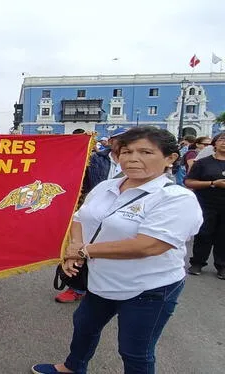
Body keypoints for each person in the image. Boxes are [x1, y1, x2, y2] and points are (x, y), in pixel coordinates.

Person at [32, 126, 203, 374]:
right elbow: (80, 217)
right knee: (84, 326)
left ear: (170, 158)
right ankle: (73, 367)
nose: (133, 158)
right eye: (126, 151)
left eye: (145, 152)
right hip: (101, 280)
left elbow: (149, 245)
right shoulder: (107, 187)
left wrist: (84, 251)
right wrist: (74, 246)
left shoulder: (176, 198)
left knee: (135, 350)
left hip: (148, 287)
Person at [55, 129, 126, 303]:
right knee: (80, 242)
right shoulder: (95, 159)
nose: (125, 143)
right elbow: (76, 176)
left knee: (114, 247)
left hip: (123, 212)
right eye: (120, 139)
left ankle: (109, 287)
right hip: (94, 207)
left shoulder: (138, 164)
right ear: (110, 141)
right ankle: (76, 287)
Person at [185, 131, 225, 279]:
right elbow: (189, 182)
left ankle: (222, 265)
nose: (224, 142)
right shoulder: (203, 162)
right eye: (221, 139)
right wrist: (213, 183)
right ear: (215, 143)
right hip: (206, 204)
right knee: (204, 233)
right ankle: (197, 262)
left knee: (223, 236)